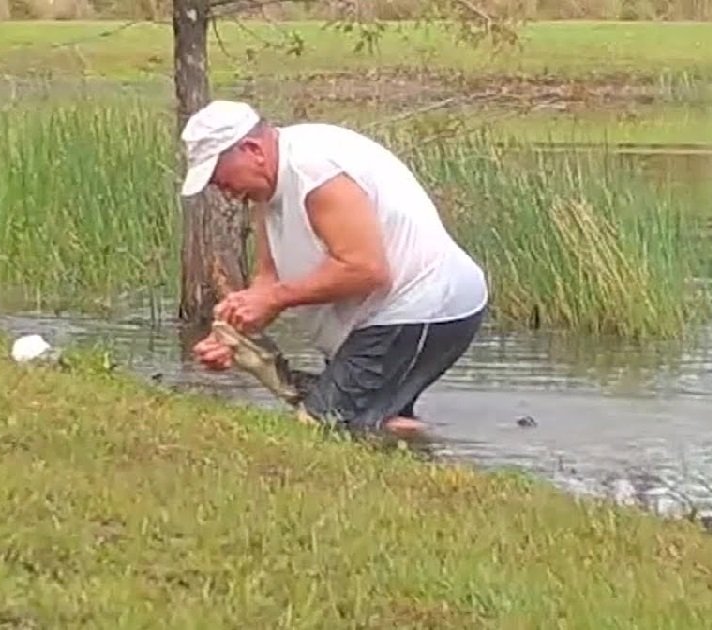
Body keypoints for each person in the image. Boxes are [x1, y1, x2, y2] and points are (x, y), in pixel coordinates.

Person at [181, 100, 489, 439]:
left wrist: (276, 299)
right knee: (365, 419)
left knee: (324, 426)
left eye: (215, 173)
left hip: (423, 305)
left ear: (252, 149)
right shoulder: (267, 189)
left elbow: (366, 269)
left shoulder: (315, 172)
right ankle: (420, 460)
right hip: (378, 317)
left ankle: (448, 458)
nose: (217, 186)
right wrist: (230, 334)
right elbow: (269, 278)